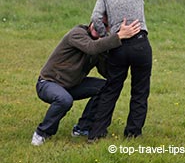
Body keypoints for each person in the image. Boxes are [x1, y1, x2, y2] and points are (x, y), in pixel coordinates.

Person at [31, 17, 141, 146]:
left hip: (72, 85)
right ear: (91, 21)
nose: (100, 27)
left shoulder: (100, 45)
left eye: (105, 25)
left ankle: (82, 128)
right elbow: (91, 47)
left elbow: (106, 73)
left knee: (105, 87)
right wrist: (118, 36)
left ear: (108, 30)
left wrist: (118, 57)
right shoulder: (77, 33)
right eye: (98, 22)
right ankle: (41, 133)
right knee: (64, 100)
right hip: (48, 83)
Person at [88, 0, 152, 141]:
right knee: (140, 91)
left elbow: (95, 18)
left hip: (118, 46)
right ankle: (133, 133)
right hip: (140, 44)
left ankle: (96, 133)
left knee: (111, 89)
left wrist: (107, 36)